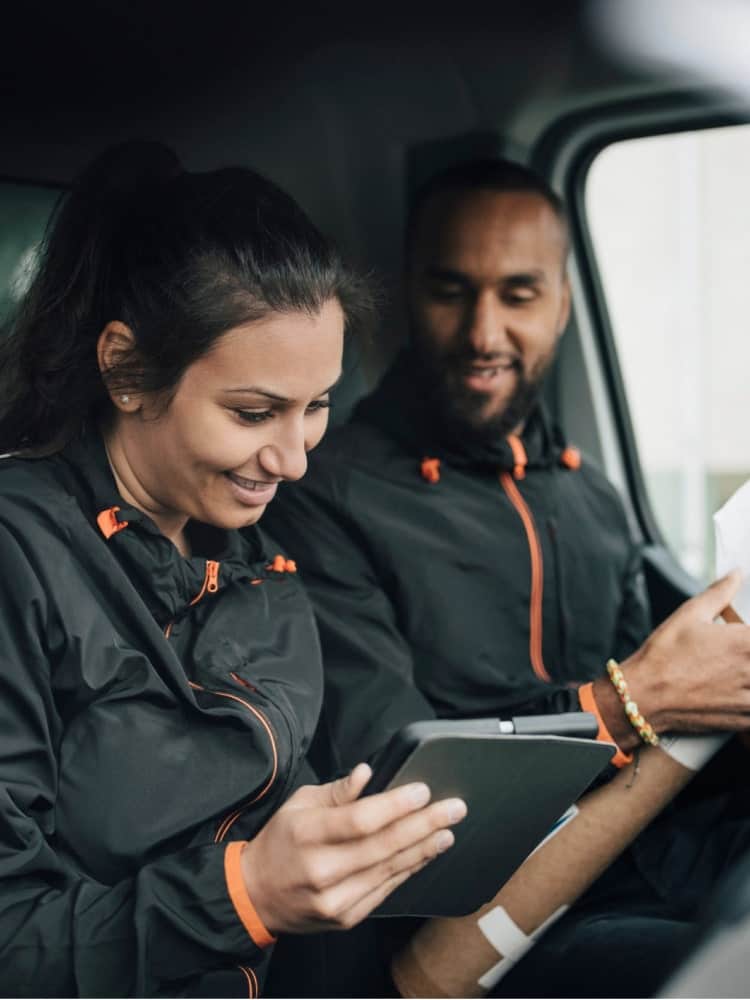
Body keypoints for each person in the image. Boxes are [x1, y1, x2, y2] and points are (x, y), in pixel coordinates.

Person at [263, 157, 750, 995]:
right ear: (408, 293)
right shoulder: (324, 497)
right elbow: (400, 790)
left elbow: (680, 702)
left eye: (519, 295)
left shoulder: (590, 493)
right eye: (452, 291)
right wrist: (630, 701)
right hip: (480, 921)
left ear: (563, 301)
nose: (485, 333)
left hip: (651, 858)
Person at [0, 141, 468, 999]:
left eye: (317, 406)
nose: (291, 458)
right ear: (127, 369)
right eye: (254, 412)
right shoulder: (18, 556)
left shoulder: (261, 557)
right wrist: (244, 893)